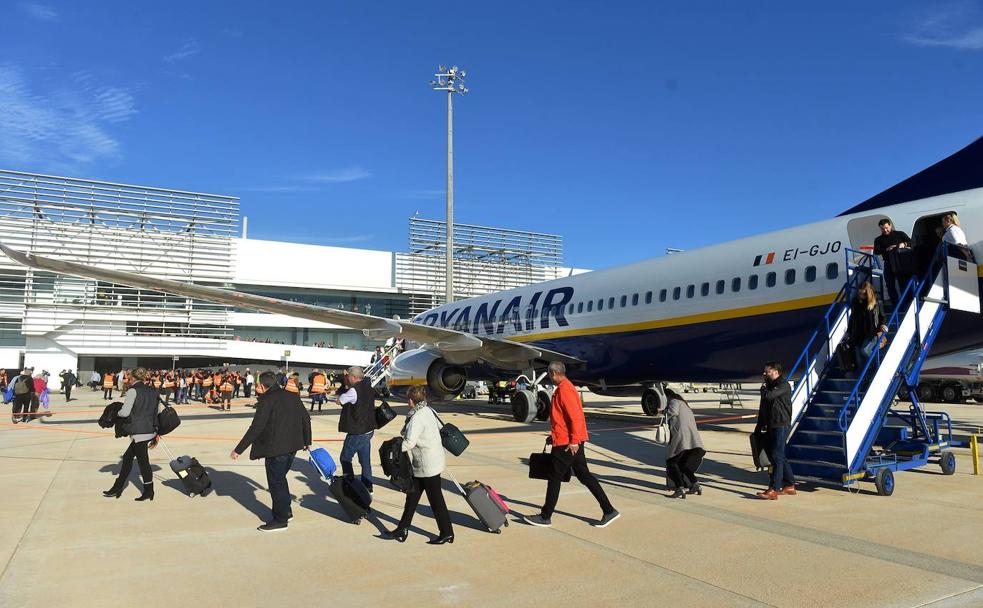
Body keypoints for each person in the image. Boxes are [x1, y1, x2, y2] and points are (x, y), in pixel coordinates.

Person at [525, 362, 620, 528]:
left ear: (554, 373)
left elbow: (575, 417)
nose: (549, 376)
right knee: (584, 476)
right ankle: (609, 510)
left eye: (549, 373)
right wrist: (554, 436)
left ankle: (545, 516)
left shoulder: (565, 390)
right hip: (567, 440)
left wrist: (574, 441)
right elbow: (564, 419)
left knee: (554, 477)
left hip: (567, 444)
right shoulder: (565, 388)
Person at [231, 371, 312, 532]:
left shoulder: (266, 400)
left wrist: (239, 449)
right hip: (293, 447)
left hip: (276, 449)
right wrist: (307, 441)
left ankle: (280, 520)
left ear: (261, 385)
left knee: (276, 483)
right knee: (281, 480)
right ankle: (286, 511)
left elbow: (256, 427)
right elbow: (305, 419)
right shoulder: (293, 396)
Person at [384, 385, 454, 544]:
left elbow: (409, 443)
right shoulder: (429, 410)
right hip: (431, 461)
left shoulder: (416, 418)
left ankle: (447, 532)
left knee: (436, 501)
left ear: (410, 401)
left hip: (426, 465)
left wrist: (392, 449)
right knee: (412, 498)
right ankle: (402, 529)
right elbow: (440, 428)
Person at [103, 368, 162, 501]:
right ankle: (118, 487)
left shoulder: (133, 391)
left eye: (129, 378)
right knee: (128, 458)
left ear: (134, 378)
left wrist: (114, 412)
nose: (128, 380)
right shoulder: (153, 391)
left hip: (138, 432)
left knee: (143, 463)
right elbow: (157, 412)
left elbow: (125, 413)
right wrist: (157, 432)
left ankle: (148, 491)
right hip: (150, 430)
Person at [754, 361, 795, 500]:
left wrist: (764, 390)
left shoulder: (783, 385)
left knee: (776, 456)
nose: (764, 374)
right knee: (779, 455)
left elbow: (769, 396)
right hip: (772, 424)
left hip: (781, 424)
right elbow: (763, 407)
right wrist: (759, 426)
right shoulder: (769, 387)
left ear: (776, 372)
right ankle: (789, 485)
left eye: (768, 371)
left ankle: (774, 488)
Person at [336, 366, 376, 493]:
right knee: (365, 460)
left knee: (345, 458)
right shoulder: (369, 388)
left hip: (357, 431)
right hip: (368, 429)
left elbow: (340, 401)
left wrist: (344, 387)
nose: (347, 378)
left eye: (348, 376)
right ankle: (368, 486)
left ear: (353, 377)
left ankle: (350, 483)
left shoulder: (354, 391)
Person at [662, 389, 705, 499]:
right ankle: (696, 485)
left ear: (668, 397)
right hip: (693, 440)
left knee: (671, 462)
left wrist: (663, 412)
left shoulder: (674, 401)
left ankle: (679, 488)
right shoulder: (686, 405)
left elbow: (673, 412)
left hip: (682, 438)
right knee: (684, 465)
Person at [846, 281, 887, 374]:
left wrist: (883, 325)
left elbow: (882, 316)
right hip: (858, 333)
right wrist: (849, 331)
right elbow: (852, 318)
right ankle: (866, 376)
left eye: (864, 293)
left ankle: (877, 368)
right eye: (860, 293)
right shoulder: (856, 302)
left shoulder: (876, 302)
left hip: (871, 332)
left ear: (868, 292)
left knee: (864, 351)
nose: (861, 295)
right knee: (859, 359)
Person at [873, 219, 912, 304]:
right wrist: (887, 249)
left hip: (901, 262)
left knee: (903, 283)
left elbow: (911, 242)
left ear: (890, 225)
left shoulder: (899, 234)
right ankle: (896, 304)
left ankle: (907, 303)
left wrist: (904, 244)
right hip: (888, 262)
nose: (885, 230)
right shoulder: (878, 239)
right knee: (890, 285)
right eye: (883, 229)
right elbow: (876, 251)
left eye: (886, 228)